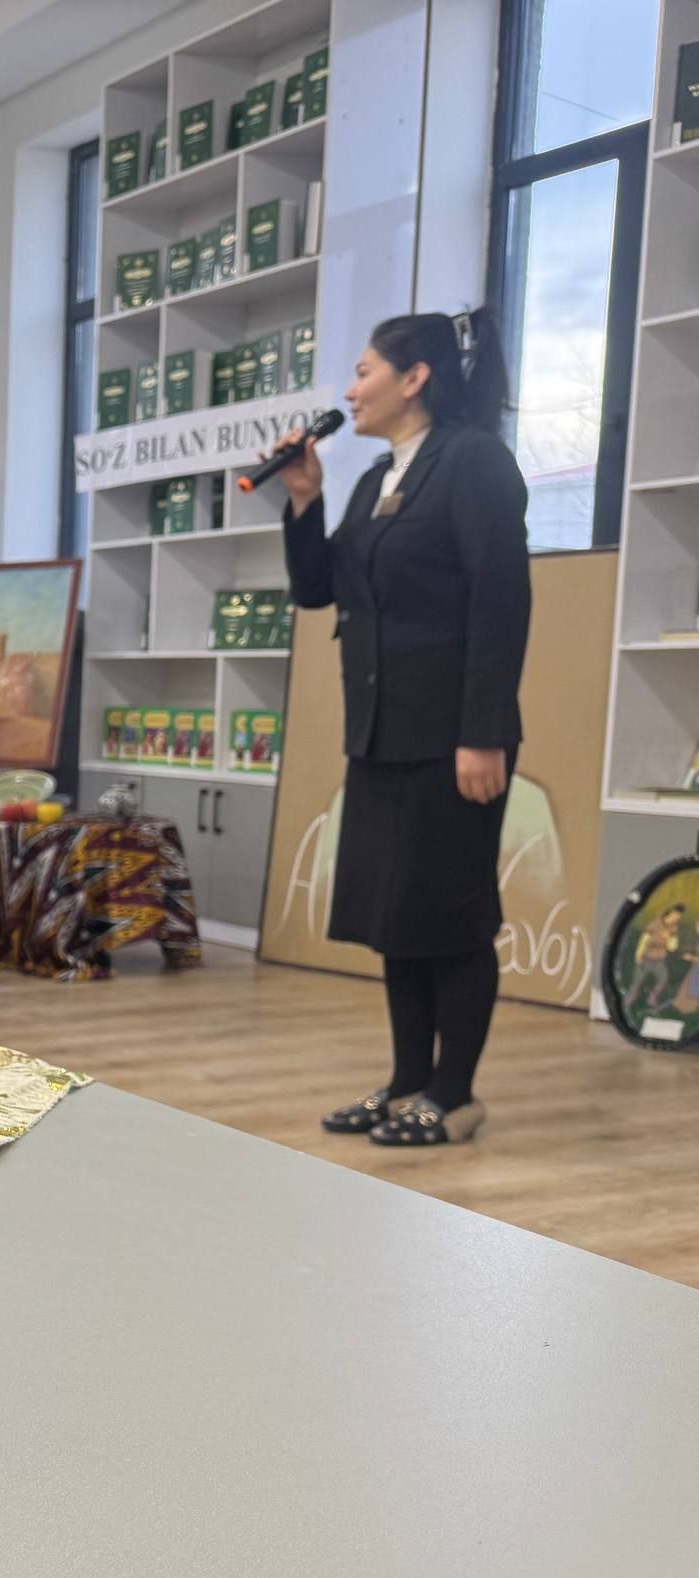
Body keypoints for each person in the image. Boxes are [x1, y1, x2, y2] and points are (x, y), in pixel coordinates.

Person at [274, 308, 528, 1148]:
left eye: (363, 372)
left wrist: (483, 732)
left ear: (415, 378)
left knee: (452, 914)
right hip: (382, 731)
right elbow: (319, 590)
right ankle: (408, 1080)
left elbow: (500, 604)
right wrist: (303, 498)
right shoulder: (375, 480)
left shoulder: (474, 462)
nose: (350, 391)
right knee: (399, 915)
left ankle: (455, 1095)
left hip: (454, 735)